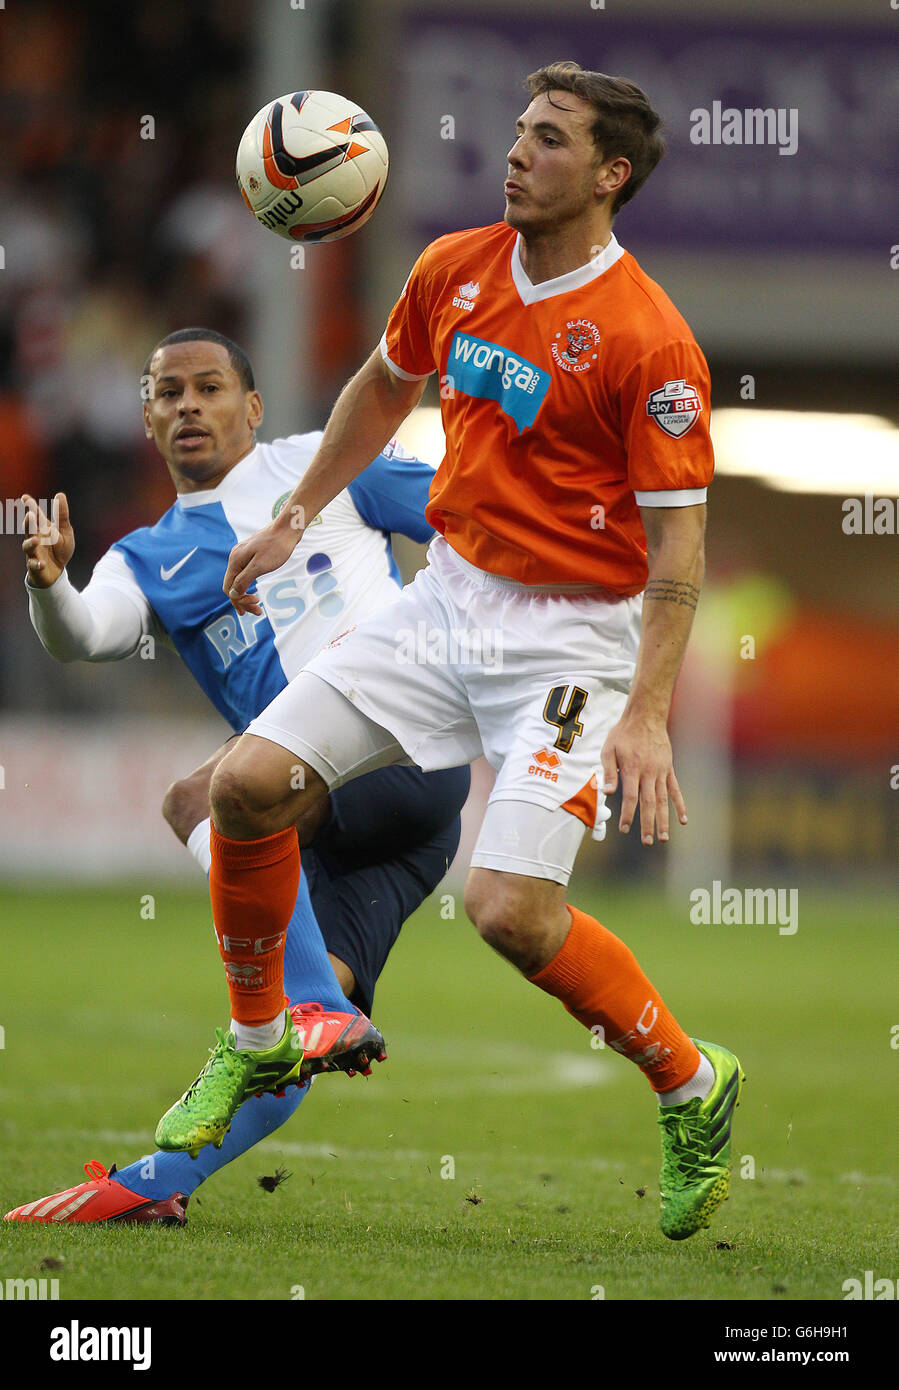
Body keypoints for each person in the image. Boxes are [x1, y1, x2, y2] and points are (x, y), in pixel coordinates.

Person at [155, 60, 744, 1243]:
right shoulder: (453, 268)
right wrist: (291, 512)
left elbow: (676, 548)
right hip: (444, 602)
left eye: (547, 139)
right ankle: (261, 1042)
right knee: (249, 784)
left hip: (571, 644)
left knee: (509, 913)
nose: (515, 153)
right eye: (518, 132)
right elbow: (381, 388)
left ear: (608, 174)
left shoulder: (648, 341)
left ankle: (692, 1084)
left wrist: (644, 707)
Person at [5, 327, 469, 1226]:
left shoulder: (328, 464)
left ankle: (288, 1011)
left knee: (193, 799)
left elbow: (466, 522)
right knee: (303, 1033)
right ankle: (156, 1184)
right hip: (373, 822)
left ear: (251, 407)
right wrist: (48, 586)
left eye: (209, 387)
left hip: (391, 748)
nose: (188, 406)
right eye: (167, 392)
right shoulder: (150, 554)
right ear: (145, 417)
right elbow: (87, 636)